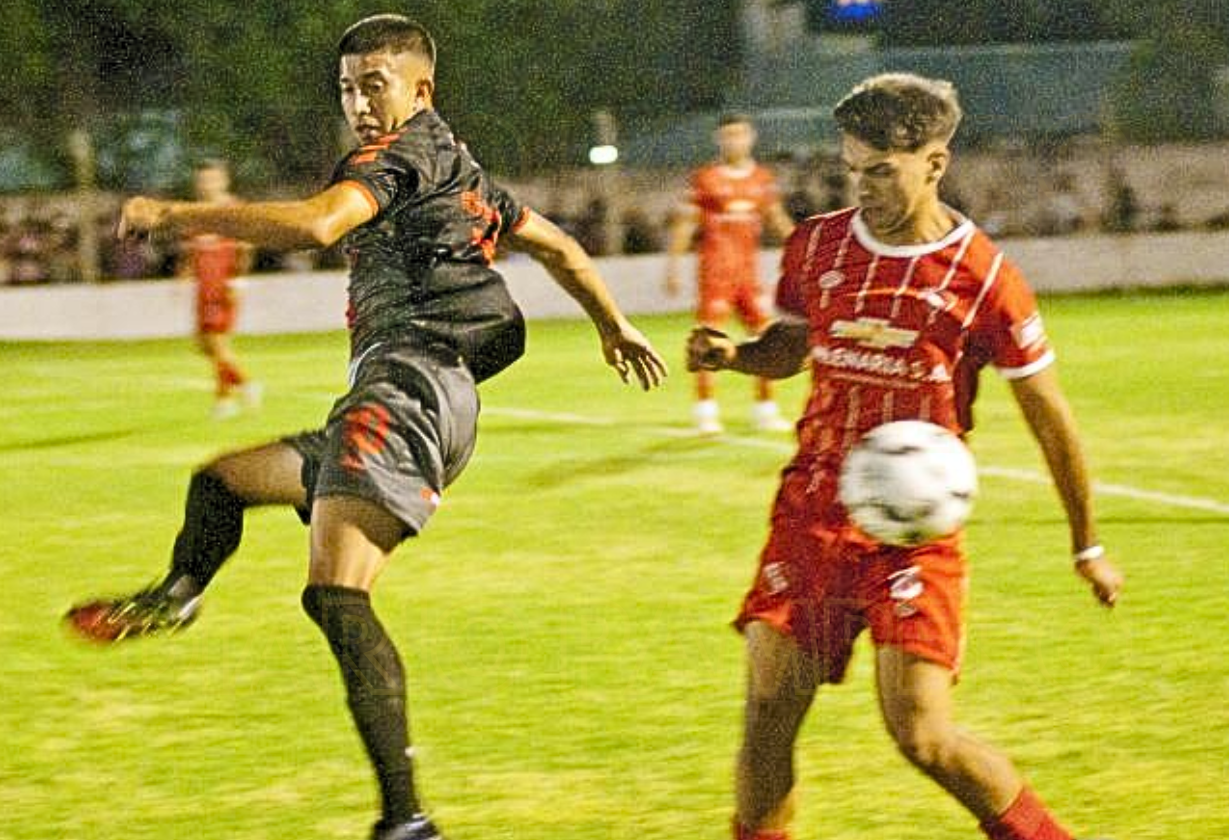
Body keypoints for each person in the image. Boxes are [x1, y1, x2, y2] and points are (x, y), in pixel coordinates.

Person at [64, 15, 667, 840]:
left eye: (373, 83)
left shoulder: (400, 157)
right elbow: (557, 245)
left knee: (338, 595)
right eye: (347, 87)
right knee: (222, 483)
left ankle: (406, 819)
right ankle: (177, 595)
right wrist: (611, 324)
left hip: (409, 386)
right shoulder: (462, 172)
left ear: (421, 89)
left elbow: (317, 224)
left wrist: (176, 215)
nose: (357, 102)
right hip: (409, 393)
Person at [686, 73, 1123, 840]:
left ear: (934, 163)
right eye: (852, 169)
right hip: (811, 509)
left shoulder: (984, 276)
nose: (862, 188)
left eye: (880, 171)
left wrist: (1085, 543)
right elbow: (789, 348)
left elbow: (1049, 417)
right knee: (765, 710)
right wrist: (734, 358)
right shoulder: (816, 243)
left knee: (922, 735)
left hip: (913, 531)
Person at [665, 113, 796, 435]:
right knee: (709, 339)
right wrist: (673, 266)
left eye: (739, 134)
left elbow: (777, 219)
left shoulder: (761, 179)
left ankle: (765, 409)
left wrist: (804, 250)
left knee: (769, 339)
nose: (733, 141)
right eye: (727, 135)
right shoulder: (706, 178)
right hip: (715, 274)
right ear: (719, 140)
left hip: (749, 277)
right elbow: (685, 223)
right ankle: (705, 411)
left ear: (750, 137)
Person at [181, 159, 261, 419]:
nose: (206, 184)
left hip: (222, 285)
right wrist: (185, 272)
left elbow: (246, 246)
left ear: (223, 180)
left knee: (217, 342)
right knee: (204, 344)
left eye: (212, 179)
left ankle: (237, 391)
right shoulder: (197, 212)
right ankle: (233, 393)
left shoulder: (234, 209)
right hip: (203, 287)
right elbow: (193, 250)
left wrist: (237, 279)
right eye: (203, 180)